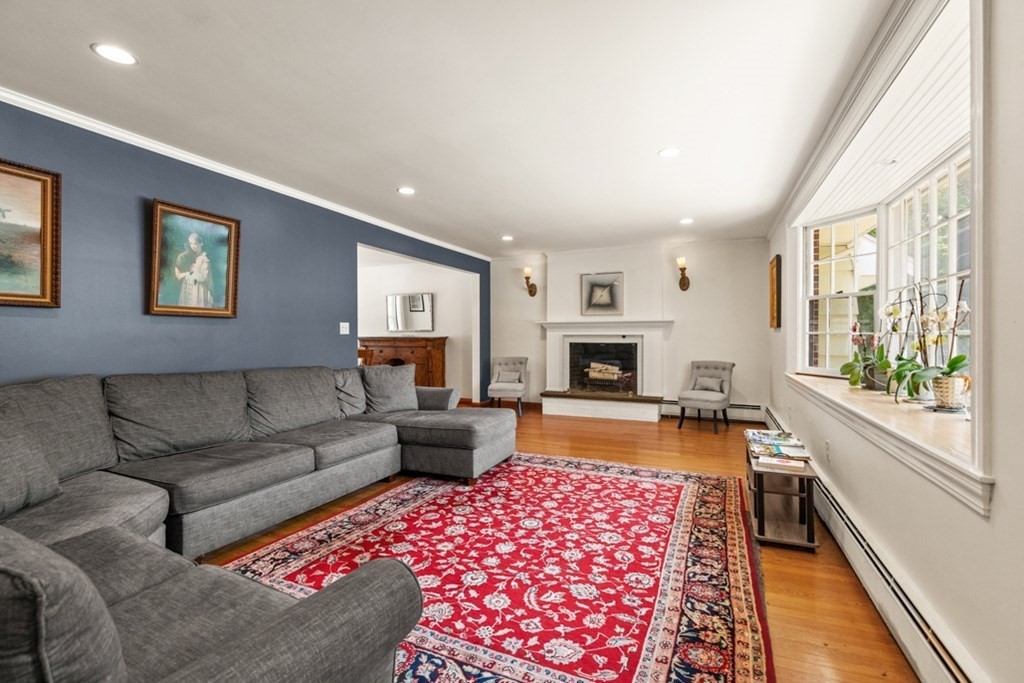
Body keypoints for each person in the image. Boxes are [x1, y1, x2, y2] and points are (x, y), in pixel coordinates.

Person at [174, 232, 214, 307]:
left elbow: (203, 277)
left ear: (201, 244)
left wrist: (186, 274)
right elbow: (179, 265)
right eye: (191, 243)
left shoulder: (204, 260)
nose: (192, 246)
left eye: (195, 244)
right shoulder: (189, 255)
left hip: (198, 290)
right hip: (187, 287)